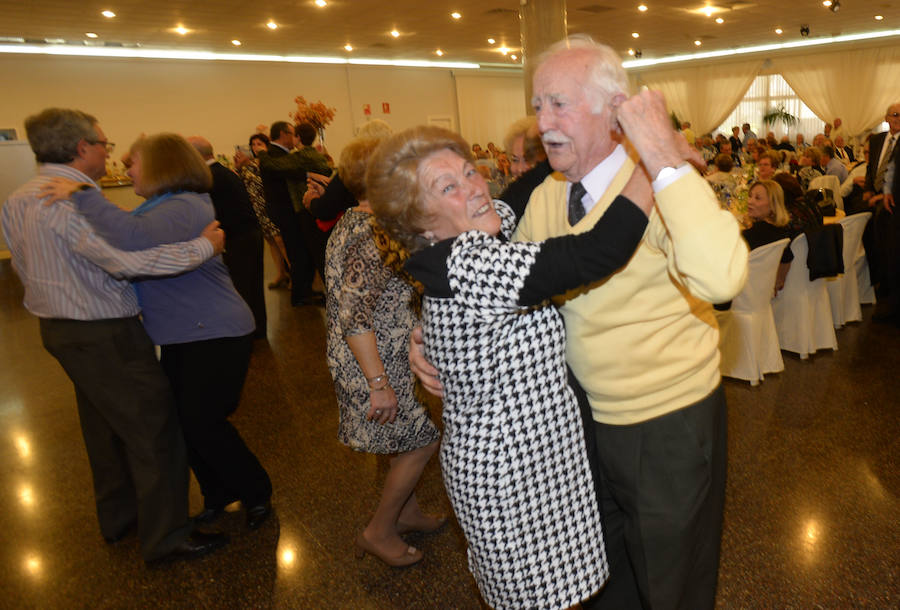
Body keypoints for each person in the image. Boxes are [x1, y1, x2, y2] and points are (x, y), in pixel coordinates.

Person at [411, 36, 748, 610]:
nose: (542, 122)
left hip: (663, 422)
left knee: (672, 585)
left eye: (558, 104)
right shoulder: (547, 194)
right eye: (538, 105)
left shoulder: (664, 184)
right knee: (610, 580)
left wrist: (664, 159)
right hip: (582, 428)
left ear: (614, 107)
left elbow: (720, 279)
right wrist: (423, 334)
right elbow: (484, 277)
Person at [369, 125, 654, 608]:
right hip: (511, 474)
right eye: (449, 187)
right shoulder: (469, 262)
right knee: (538, 600)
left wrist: (563, 144)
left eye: (469, 172)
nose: (476, 187)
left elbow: (516, 197)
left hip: (541, 457)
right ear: (421, 224)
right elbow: (595, 252)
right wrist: (654, 162)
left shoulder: (470, 240)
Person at [1, 108, 229, 563]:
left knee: (103, 429)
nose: (110, 153)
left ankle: (120, 518)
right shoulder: (70, 200)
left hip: (59, 328)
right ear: (82, 147)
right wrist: (204, 247)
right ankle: (166, 535)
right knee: (153, 429)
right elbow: (123, 263)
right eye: (104, 144)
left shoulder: (19, 197)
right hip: (103, 330)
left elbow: (22, 265)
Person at [42, 133, 274, 531]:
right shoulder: (162, 204)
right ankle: (220, 493)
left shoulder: (186, 203)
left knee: (203, 421)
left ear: (162, 166)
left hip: (215, 331)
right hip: (186, 334)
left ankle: (256, 492)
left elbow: (133, 238)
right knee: (185, 421)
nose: (127, 168)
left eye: (134, 162)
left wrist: (82, 192)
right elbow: (132, 233)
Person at [324, 136, 442, 568]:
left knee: (405, 440)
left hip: (384, 356)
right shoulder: (371, 233)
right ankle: (379, 531)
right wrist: (379, 385)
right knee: (422, 444)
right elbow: (354, 319)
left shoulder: (357, 220)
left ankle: (406, 511)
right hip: (374, 362)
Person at [189, 136, 267, 339]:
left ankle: (245, 334)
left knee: (241, 289)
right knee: (253, 288)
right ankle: (258, 331)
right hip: (251, 234)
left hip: (237, 238)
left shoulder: (208, 177)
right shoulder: (223, 172)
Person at [235, 133, 291, 290]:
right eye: (253, 144)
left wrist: (250, 163)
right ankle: (280, 273)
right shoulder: (247, 164)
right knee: (271, 241)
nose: (255, 147)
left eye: (259, 143)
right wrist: (239, 167)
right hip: (257, 208)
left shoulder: (266, 162)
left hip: (269, 204)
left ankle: (293, 272)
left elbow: (263, 179)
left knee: (280, 240)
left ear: (267, 145)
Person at [864, 102, 900, 322]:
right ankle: (882, 296)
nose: (898, 119)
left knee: (893, 255)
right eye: (895, 115)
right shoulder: (877, 140)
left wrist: (884, 194)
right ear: (886, 118)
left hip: (894, 205)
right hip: (875, 203)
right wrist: (869, 190)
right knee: (876, 250)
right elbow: (872, 168)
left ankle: (891, 307)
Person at [743, 180, 794, 294]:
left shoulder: (748, 236)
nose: (750, 201)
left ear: (773, 205)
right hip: (765, 295)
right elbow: (787, 258)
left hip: (745, 295)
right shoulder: (783, 231)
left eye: (757, 198)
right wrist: (779, 280)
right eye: (750, 196)